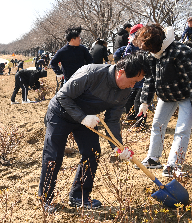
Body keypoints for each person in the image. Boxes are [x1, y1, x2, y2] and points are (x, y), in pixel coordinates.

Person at [38, 53, 150, 213]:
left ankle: (79, 196)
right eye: (132, 81)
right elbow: (63, 96)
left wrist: (118, 147)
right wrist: (82, 117)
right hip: (61, 113)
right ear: (121, 72)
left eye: (136, 83)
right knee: (53, 156)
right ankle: (46, 200)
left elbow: (113, 120)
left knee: (92, 152)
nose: (133, 86)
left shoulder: (125, 90)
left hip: (87, 117)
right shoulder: (91, 73)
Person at [133, 24, 192, 177]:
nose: (150, 52)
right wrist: (144, 101)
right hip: (165, 96)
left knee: (182, 130)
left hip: (186, 96)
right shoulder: (152, 53)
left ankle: (173, 165)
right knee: (157, 125)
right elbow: (150, 78)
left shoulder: (182, 52)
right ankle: (153, 158)